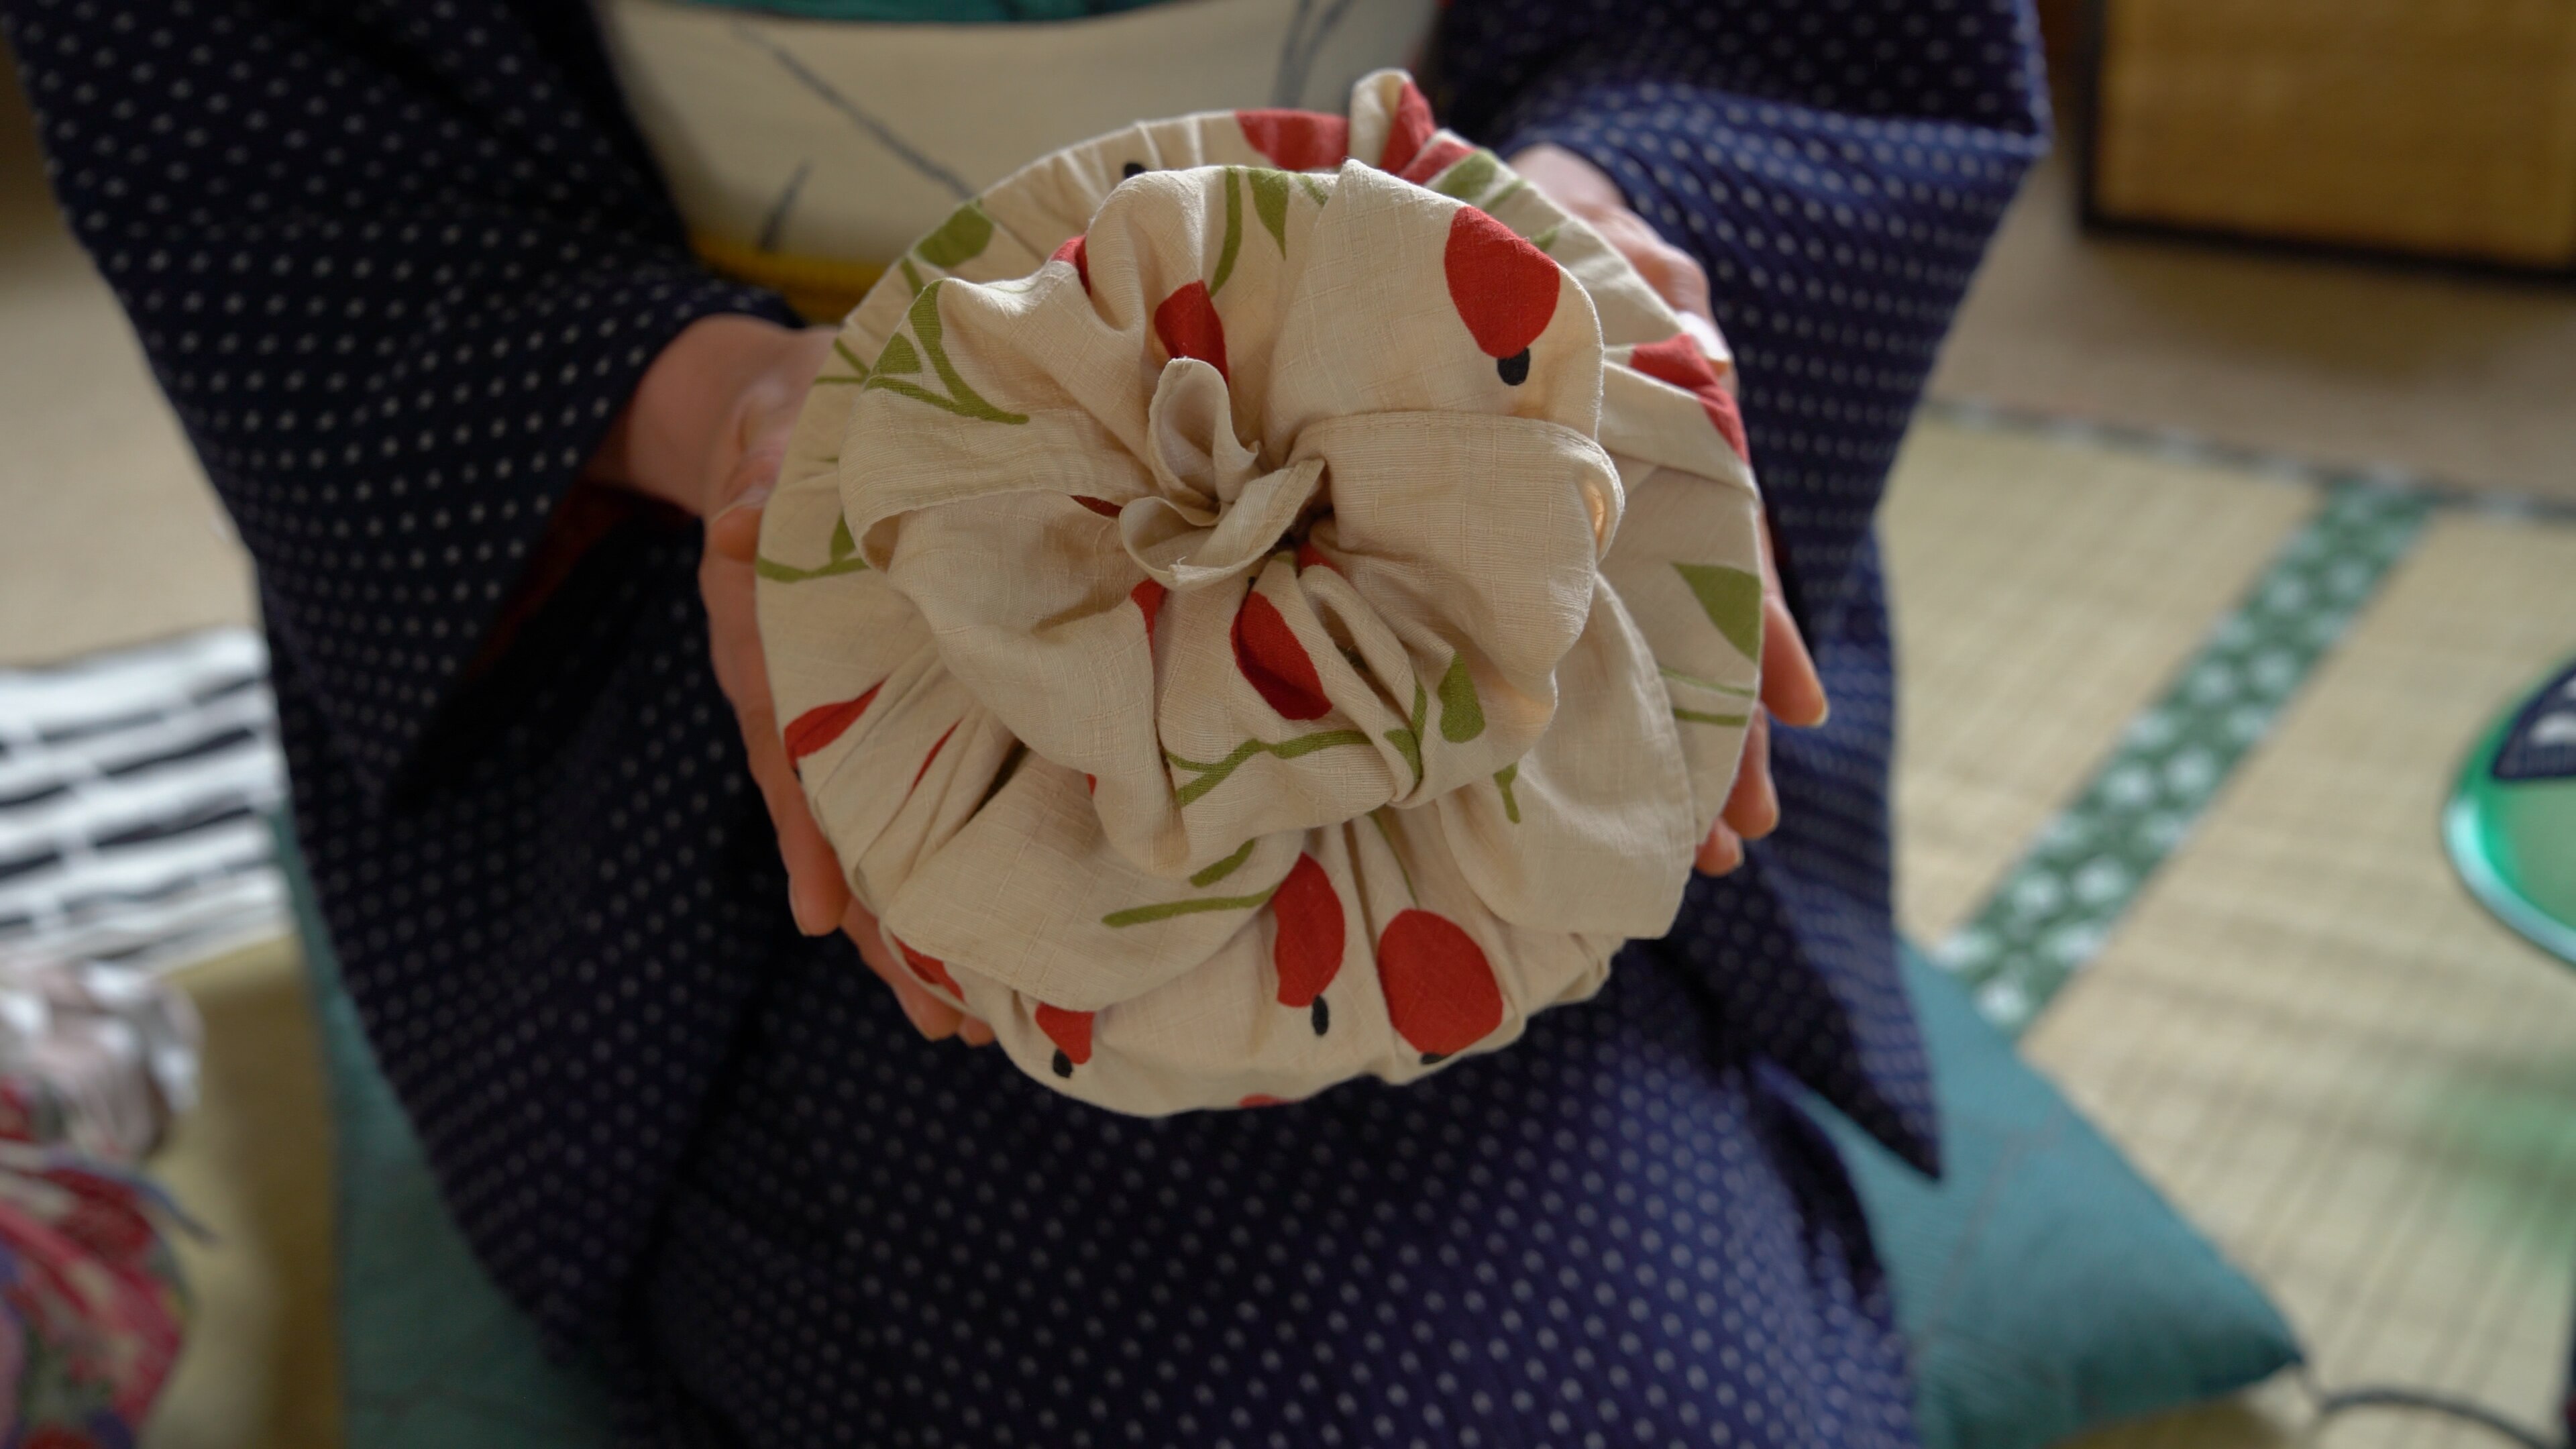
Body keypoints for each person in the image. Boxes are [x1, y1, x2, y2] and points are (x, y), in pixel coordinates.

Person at [0, 1, 2047, 1442]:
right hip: (731, 578)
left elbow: (1821, 40)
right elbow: (255, 121)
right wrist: (757, 431)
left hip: (1487, 440)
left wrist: (1546, 256)